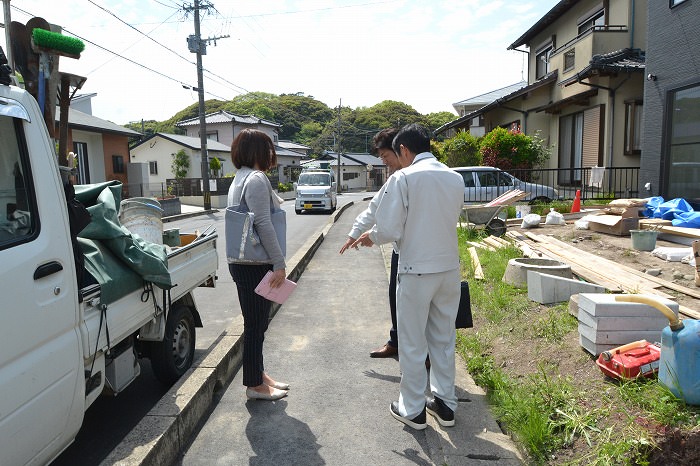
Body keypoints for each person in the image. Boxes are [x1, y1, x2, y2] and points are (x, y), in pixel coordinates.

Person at [351, 123, 465, 430]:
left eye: (396, 155)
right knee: (443, 339)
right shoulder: (455, 178)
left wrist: (369, 237)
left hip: (415, 270)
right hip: (449, 270)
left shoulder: (405, 177)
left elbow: (389, 229)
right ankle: (445, 404)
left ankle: (412, 409)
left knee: (413, 342)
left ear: (404, 149)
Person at [228, 129, 289, 401]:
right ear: (260, 152)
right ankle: (255, 385)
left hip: (242, 262)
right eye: (269, 149)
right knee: (256, 325)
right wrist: (278, 262)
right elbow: (263, 223)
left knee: (256, 324)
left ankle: (259, 374)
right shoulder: (256, 179)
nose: (272, 154)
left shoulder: (239, 178)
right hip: (256, 263)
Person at [339, 128, 401, 358]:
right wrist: (354, 233)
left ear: (401, 150)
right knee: (395, 297)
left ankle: (421, 354)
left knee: (416, 305)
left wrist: (372, 236)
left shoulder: (413, 177)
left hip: (421, 254)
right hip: (400, 250)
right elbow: (376, 207)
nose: (384, 162)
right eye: (382, 158)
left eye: (386, 156)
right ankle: (396, 341)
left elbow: (395, 220)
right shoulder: (395, 178)